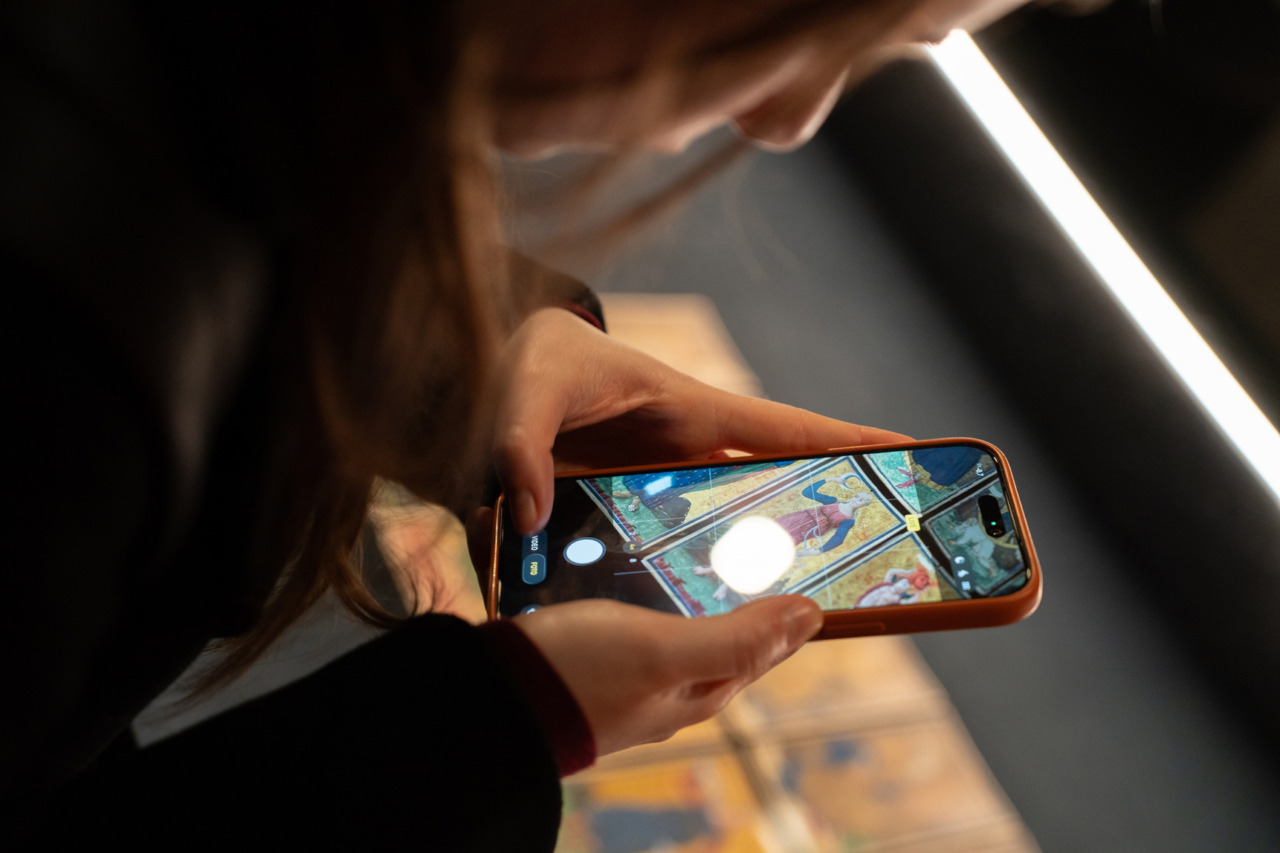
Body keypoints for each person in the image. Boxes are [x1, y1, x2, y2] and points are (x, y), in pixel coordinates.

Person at [2, 0, 1028, 847]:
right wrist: (499, 724)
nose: (789, 120)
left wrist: (470, 364)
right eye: (813, 28)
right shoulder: (60, 381)